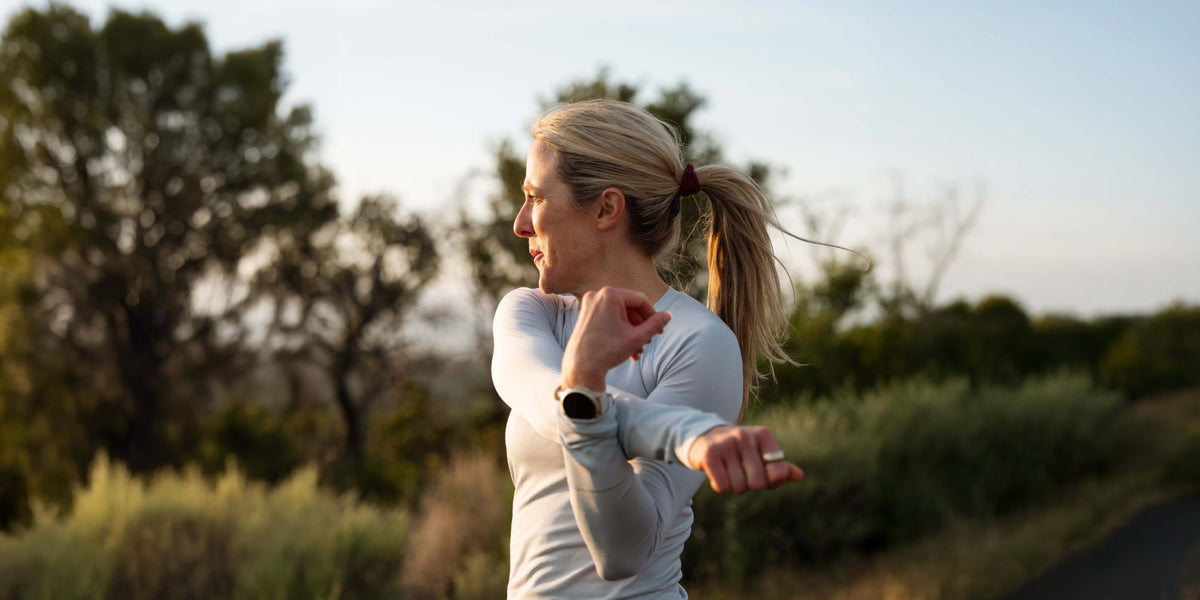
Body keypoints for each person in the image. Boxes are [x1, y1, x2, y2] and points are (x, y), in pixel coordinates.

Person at [492, 99, 806, 599]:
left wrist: (588, 396)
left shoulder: (699, 343)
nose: (521, 223)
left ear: (606, 208)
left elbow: (622, 553)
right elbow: (548, 402)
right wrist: (688, 435)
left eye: (536, 197)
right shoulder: (532, 313)